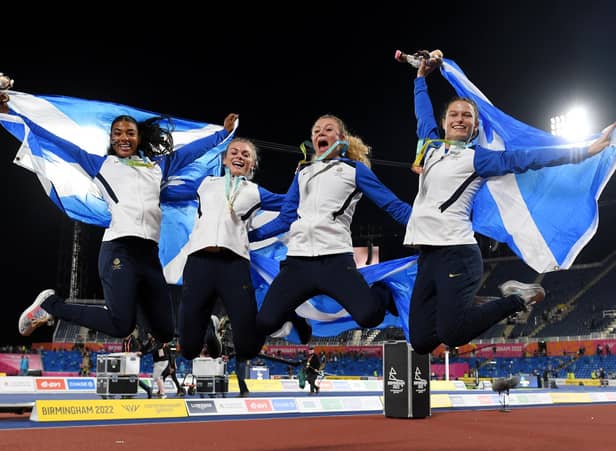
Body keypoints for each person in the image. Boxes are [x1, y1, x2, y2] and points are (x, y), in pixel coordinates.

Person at [403, 52, 616, 355]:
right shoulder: (430, 147)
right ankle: (476, 302)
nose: (460, 119)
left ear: (475, 127)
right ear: (444, 122)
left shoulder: (478, 158)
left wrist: (582, 151)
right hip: (428, 255)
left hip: (457, 254)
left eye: (467, 116)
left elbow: (525, 158)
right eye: (454, 115)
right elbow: (422, 116)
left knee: (453, 334)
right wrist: (421, 79)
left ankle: (518, 298)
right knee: (422, 341)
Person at [5, 88, 238, 343]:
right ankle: (51, 304)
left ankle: (206, 325)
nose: (123, 138)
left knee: (163, 331)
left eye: (130, 133)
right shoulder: (100, 164)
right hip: (119, 250)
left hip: (149, 256)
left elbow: (190, 151)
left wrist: (223, 133)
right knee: (120, 324)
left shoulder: (156, 166)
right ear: (111, 138)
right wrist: (12, 113)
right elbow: (55, 141)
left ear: (139, 138)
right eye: (117, 134)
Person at [248, 115, 412, 348]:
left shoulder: (354, 170)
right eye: (316, 131)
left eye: (328, 129)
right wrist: (249, 237)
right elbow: (286, 218)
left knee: (370, 317)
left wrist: (424, 223)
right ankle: (297, 320)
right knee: (265, 322)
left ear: (341, 139)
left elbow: (391, 204)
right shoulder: (302, 173)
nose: (320, 134)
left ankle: (382, 292)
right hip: (298, 263)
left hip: (336, 261)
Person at [178, 137, 289, 362]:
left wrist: (302, 178)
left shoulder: (256, 192)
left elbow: (291, 205)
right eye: (234, 152)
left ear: (252, 165)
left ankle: (220, 328)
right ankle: (208, 328)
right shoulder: (205, 183)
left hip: (234, 267)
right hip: (199, 264)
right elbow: (170, 190)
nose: (239, 156)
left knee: (247, 350)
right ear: (225, 160)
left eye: (246, 155)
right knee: (188, 350)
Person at [122, 329, 154, 399]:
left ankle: (146, 389)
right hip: (126, 361)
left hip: (133, 361)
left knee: (131, 377)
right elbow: (123, 351)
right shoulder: (124, 341)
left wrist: (133, 353)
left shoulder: (133, 340)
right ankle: (146, 389)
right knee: (128, 378)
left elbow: (136, 350)